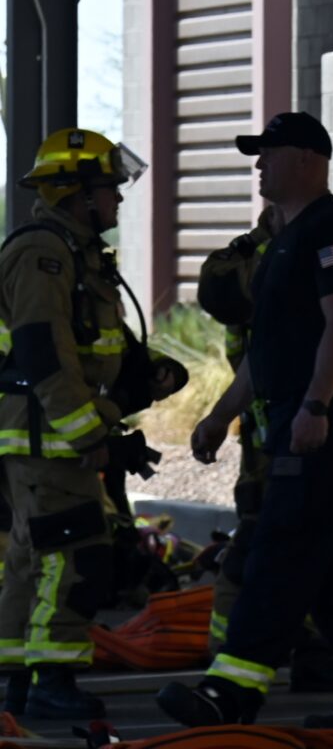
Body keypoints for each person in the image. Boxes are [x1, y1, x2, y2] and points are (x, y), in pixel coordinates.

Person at [157, 112, 333, 733]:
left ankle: (232, 690)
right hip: (294, 416)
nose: (258, 164)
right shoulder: (283, 242)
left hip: (322, 420)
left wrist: (317, 405)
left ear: (306, 159)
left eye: (268, 153)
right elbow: (267, 346)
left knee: (282, 545)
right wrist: (221, 414)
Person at [0, 128, 176, 720]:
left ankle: (19, 681)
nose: (118, 198)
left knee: (35, 557)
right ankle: (51, 682)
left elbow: (87, 344)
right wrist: (89, 434)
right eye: (109, 188)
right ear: (76, 195)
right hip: (48, 435)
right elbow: (44, 351)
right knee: (76, 554)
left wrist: (145, 373)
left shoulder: (75, 254)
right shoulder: (43, 254)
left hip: (50, 433)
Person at [196, 207, 333, 693]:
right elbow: (260, 357)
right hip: (279, 425)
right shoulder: (262, 261)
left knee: (307, 536)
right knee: (262, 539)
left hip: (286, 422)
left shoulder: (270, 259)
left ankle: (302, 648)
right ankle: (234, 653)